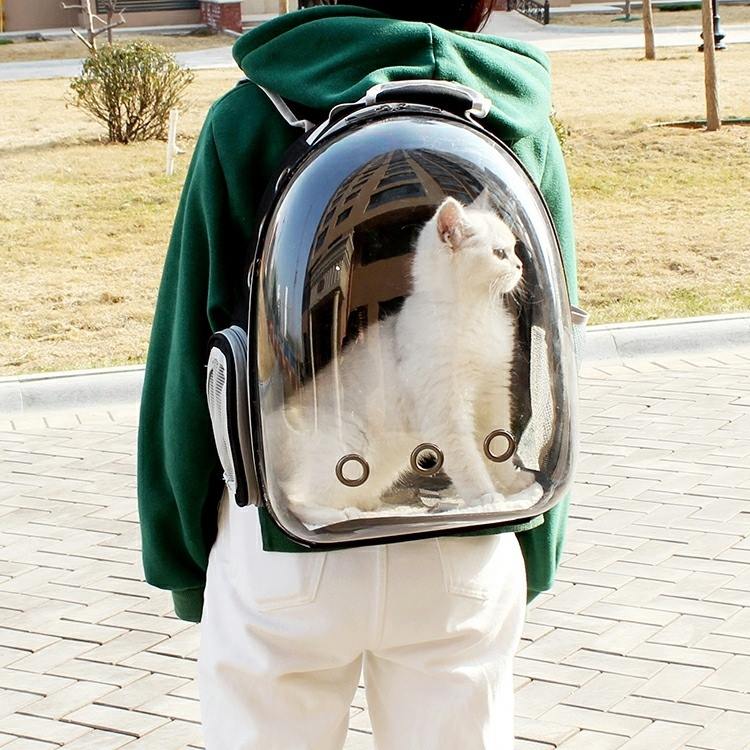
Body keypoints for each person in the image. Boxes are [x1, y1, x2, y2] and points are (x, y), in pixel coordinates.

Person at [137, 2, 579, 747]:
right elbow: (549, 353)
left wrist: (181, 555)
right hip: (464, 529)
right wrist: (533, 539)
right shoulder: (517, 120)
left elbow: (186, 351)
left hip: (287, 529)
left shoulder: (248, 119)